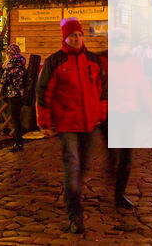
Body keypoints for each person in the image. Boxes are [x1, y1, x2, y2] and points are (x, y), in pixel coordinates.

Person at [35, 18, 107, 234]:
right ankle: (75, 215)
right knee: (73, 166)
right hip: (67, 123)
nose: (76, 39)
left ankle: (71, 194)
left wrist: (101, 113)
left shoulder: (92, 61)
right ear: (65, 38)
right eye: (72, 35)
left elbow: (102, 89)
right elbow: (43, 93)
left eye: (79, 35)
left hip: (89, 123)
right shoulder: (55, 62)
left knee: (83, 167)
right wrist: (45, 121)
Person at [99, 50, 135, 211]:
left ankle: (119, 195)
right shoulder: (100, 59)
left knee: (126, 157)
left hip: (127, 113)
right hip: (108, 113)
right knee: (113, 150)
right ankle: (112, 178)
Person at [1, 44, 28, 152]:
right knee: (19, 118)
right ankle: (19, 140)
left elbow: (4, 80)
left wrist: (4, 68)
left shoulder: (11, 66)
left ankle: (18, 142)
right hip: (22, 94)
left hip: (13, 94)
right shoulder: (22, 63)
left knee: (15, 119)